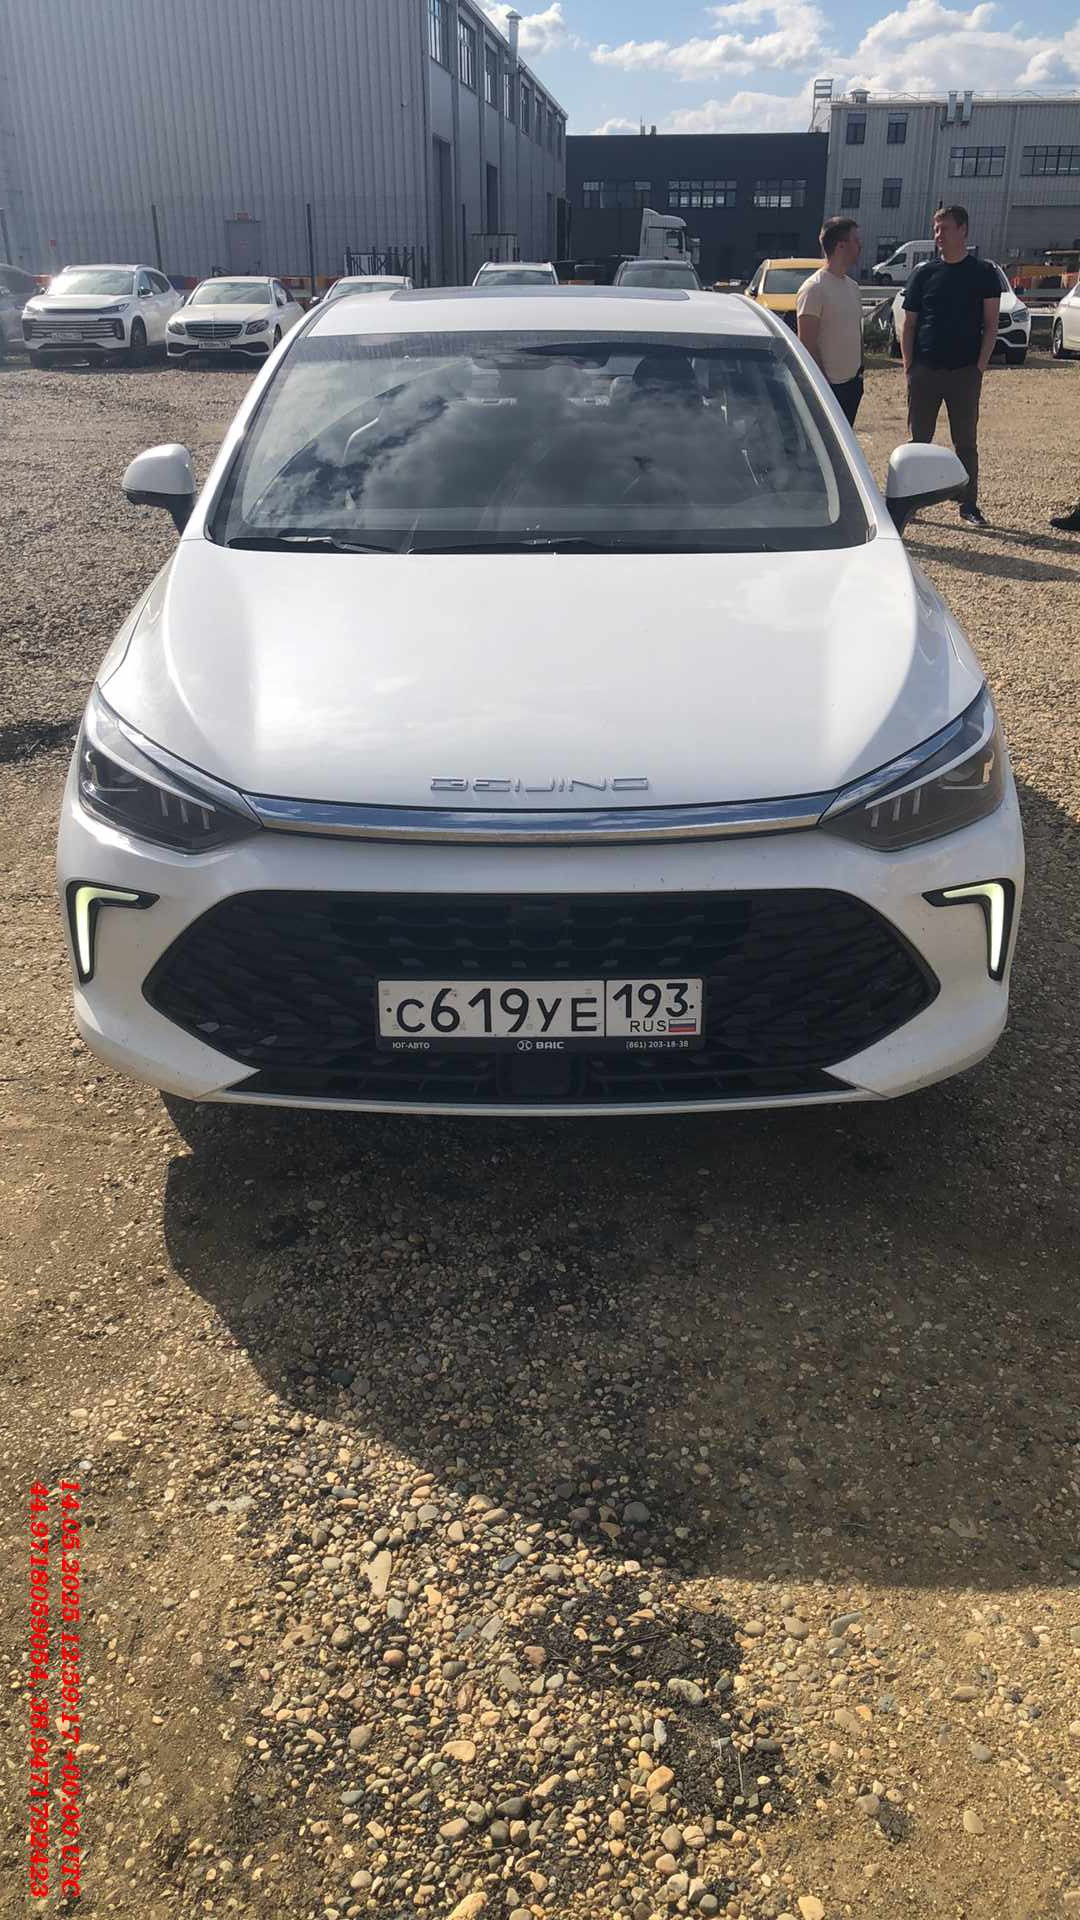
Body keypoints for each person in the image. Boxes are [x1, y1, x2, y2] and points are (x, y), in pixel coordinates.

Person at [900, 205, 1000, 527]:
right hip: (925, 371)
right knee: (919, 441)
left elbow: (991, 325)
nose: (937, 235)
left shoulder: (983, 273)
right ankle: (911, 504)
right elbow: (909, 325)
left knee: (966, 442)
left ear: (963, 230)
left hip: (965, 373)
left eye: (943, 228)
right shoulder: (924, 274)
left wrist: (979, 367)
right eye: (936, 228)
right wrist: (909, 367)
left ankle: (968, 505)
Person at [795, 216, 865, 426]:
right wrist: (823, 386)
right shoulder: (814, 288)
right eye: (855, 240)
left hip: (852, 384)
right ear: (841, 246)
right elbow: (807, 344)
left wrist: (860, 373)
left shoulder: (852, 287)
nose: (860, 245)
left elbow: (855, 331)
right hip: (828, 389)